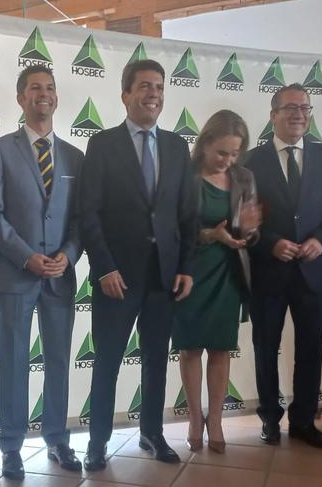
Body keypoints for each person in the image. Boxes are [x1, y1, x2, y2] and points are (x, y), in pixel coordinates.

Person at [79, 59, 197, 470]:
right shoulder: (102, 144)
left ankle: (152, 433)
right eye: (145, 86)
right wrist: (105, 268)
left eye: (160, 87)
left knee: (155, 361)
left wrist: (185, 267)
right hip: (117, 277)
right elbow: (88, 213)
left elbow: (187, 214)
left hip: (164, 276)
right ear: (126, 94)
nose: (154, 94)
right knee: (107, 361)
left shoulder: (176, 146)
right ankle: (97, 442)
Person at [0, 65, 84, 479]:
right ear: (21, 98)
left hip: (60, 277)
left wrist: (69, 255)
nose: (44, 94)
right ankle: (11, 447)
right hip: (16, 275)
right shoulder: (0, 150)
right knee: (13, 362)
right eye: (35, 88)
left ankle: (58, 440)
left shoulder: (76, 157)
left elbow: (80, 219)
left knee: (58, 360)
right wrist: (25, 256)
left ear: (56, 98)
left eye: (50, 88)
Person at [244, 83, 322, 449]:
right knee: (265, 347)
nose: (298, 114)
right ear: (273, 114)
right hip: (268, 271)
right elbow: (244, 218)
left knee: (310, 349)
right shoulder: (251, 161)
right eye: (290, 107)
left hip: (313, 270)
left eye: (305, 107)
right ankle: (270, 419)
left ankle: (304, 420)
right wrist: (271, 243)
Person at [173, 110, 261, 454]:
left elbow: (249, 231)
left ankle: (217, 420)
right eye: (221, 152)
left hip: (228, 272)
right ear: (205, 143)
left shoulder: (244, 177)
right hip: (191, 270)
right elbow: (175, 230)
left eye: (235, 153)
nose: (228, 160)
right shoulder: (186, 176)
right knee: (191, 347)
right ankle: (195, 418)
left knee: (221, 348)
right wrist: (213, 235)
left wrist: (248, 233)